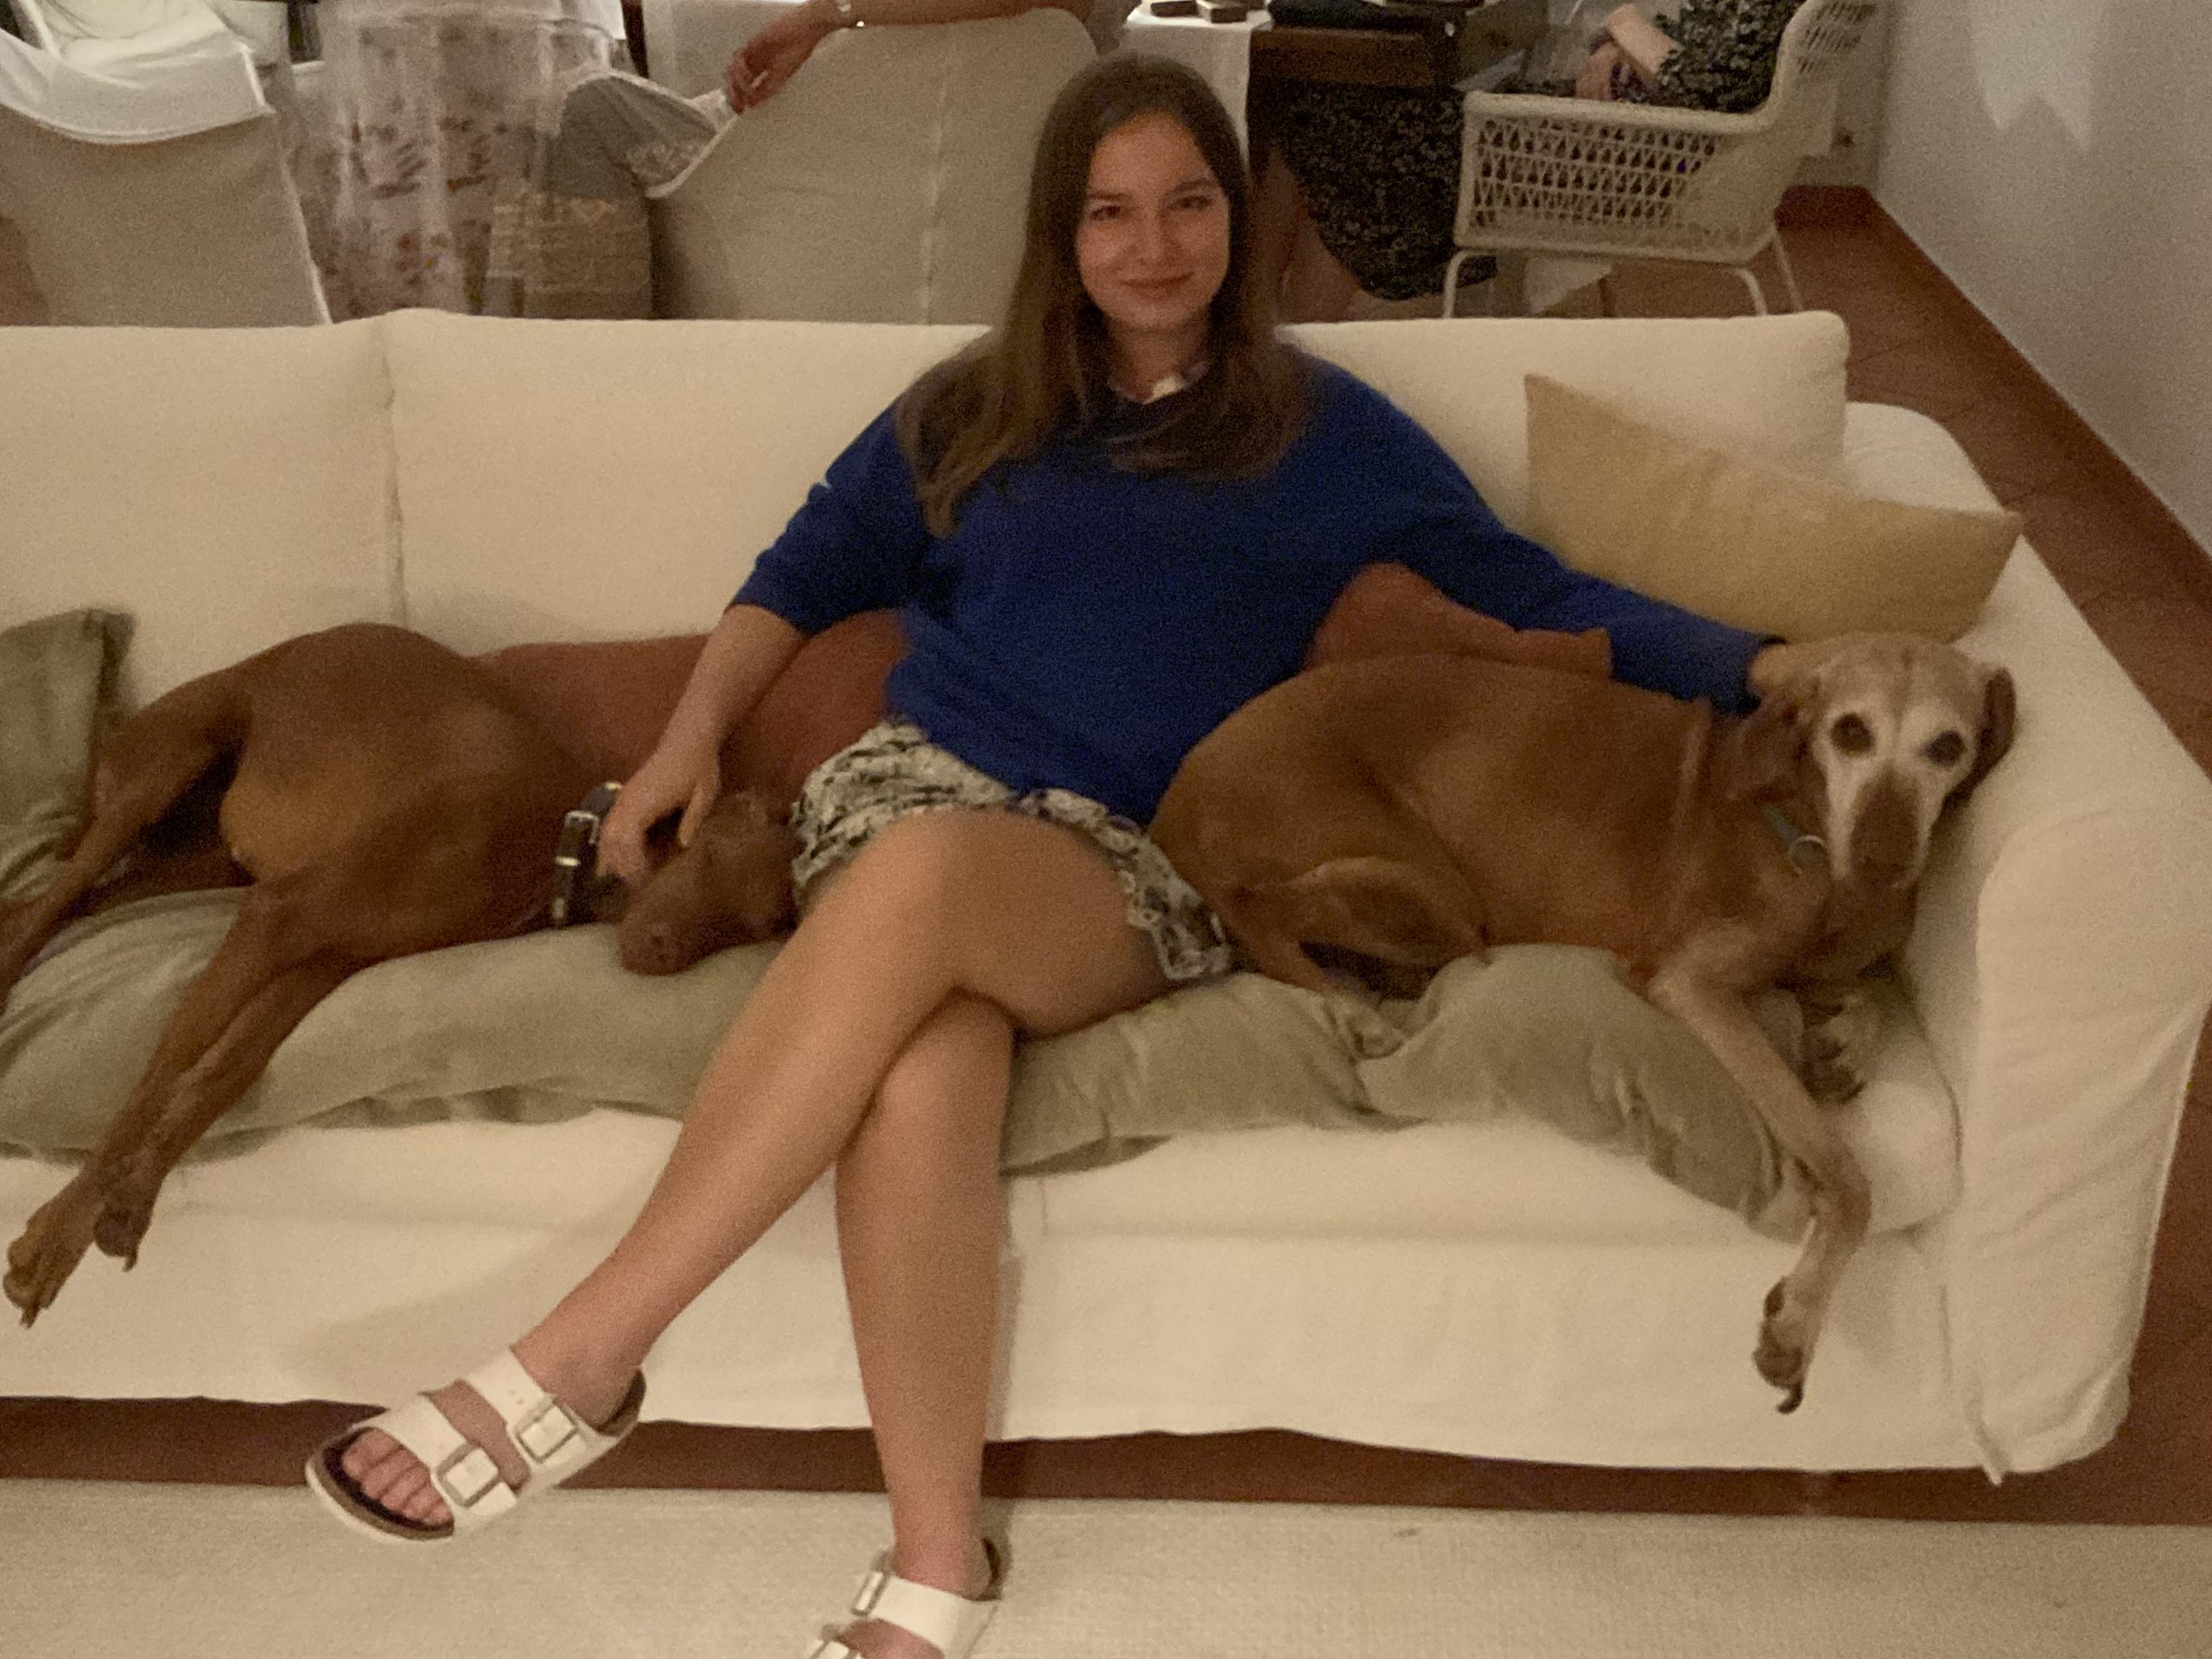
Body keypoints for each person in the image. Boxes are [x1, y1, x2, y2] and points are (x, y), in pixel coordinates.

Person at [310, 54, 1779, 1659]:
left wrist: (1765, 665)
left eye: (1189, 205)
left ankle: (581, 1359)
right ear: (1060, 238)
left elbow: (1534, 590)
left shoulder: (1329, 432)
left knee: (929, 886)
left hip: (1129, 855)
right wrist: (685, 742)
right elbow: (800, 571)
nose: (1153, 248)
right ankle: (937, 1570)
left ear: (1237, 219)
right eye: (1111, 214)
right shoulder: (978, 405)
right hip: (896, 797)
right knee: (925, 1064)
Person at [487, 0, 1096, 317]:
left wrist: (828, 15)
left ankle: (589, 367)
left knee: (583, 110)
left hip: (850, 158)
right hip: (973, 155)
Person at [1255, 0, 1804, 322]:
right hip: (1595, 138)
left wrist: (1622, 21)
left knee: (1324, 117)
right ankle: (1267, 337)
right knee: (1320, 115)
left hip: (1606, 159)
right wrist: (1618, 46)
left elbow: (1702, 90)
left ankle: (1281, 348)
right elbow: (1691, 59)